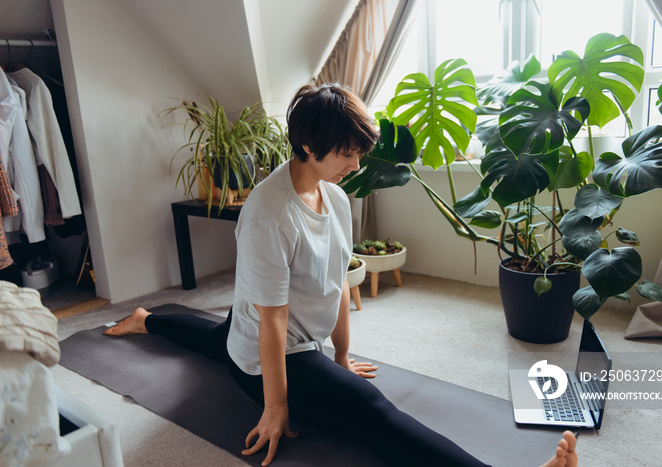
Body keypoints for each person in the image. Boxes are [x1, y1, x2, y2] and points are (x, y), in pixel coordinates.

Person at [106, 83, 578, 467]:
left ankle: (147, 318)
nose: (356, 165)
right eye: (347, 154)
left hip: (261, 319)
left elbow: (337, 280)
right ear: (308, 145)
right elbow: (272, 324)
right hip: (273, 346)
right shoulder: (269, 214)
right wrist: (275, 407)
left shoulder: (333, 197)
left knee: (218, 337)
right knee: (371, 412)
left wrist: (342, 355)